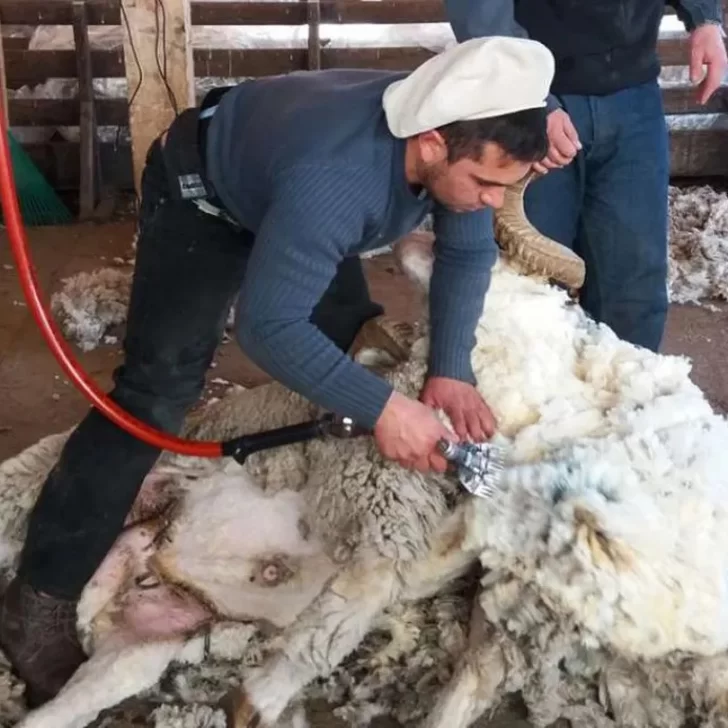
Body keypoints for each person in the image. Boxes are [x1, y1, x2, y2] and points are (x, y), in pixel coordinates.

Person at [0, 35, 553, 708]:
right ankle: (40, 595)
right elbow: (267, 329)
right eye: (488, 183)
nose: (495, 201)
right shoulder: (339, 178)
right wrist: (385, 410)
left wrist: (450, 370)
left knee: (354, 340)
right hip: (204, 191)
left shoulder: (457, 135)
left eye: (508, 185)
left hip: (289, 182)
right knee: (155, 394)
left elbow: (466, 256)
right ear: (434, 143)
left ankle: (312, 500)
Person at [444, 0, 728, 351]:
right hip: (531, 99)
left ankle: (628, 395)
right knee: (532, 283)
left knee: (633, 283)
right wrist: (530, 98)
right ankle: (538, 402)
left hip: (632, 94)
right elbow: (479, 12)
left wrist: (704, 19)